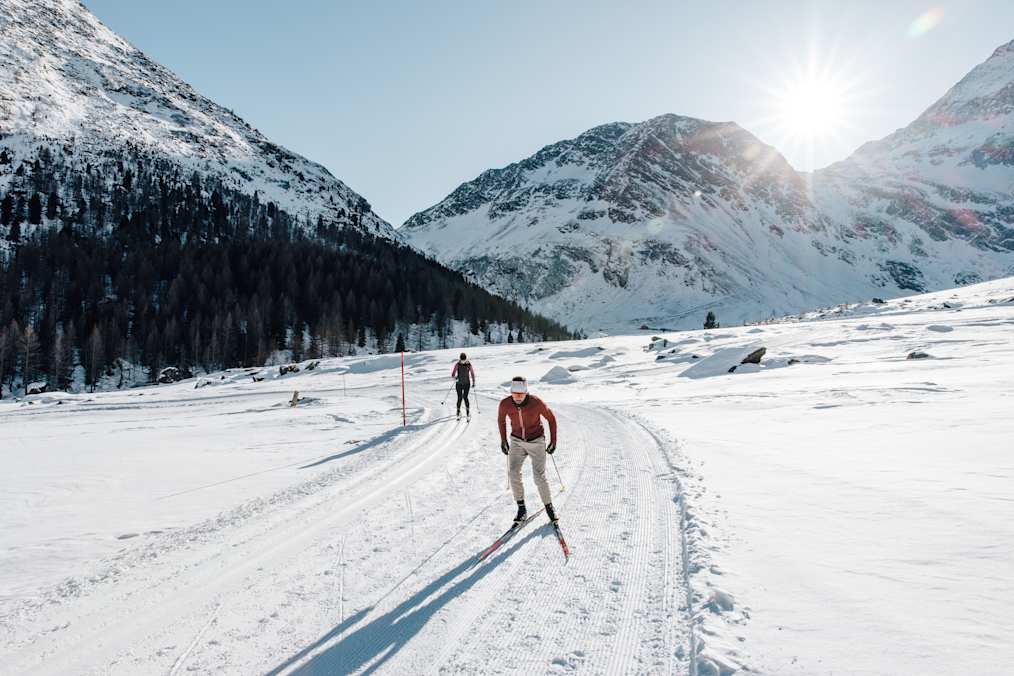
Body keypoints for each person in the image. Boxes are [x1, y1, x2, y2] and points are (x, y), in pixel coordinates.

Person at [497, 376, 559, 525]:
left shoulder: (536, 403)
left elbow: (551, 418)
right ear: (511, 392)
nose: (518, 397)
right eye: (515, 394)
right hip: (517, 441)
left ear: (526, 393)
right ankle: (521, 509)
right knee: (513, 473)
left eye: (521, 394)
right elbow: (501, 420)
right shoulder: (505, 404)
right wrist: (504, 440)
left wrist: (553, 441)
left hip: (536, 441)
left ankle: (549, 507)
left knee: (538, 476)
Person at [451, 353, 476, 421]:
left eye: (464, 360)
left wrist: (473, 382)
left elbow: (472, 373)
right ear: (460, 359)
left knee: (465, 397)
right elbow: (453, 374)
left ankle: (468, 413)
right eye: (462, 360)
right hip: (458, 384)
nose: (463, 361)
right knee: (459, 397)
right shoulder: (457, 364)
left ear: (465, 359)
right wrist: (455, 378)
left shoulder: (468, 364)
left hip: (466, 384)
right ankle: (458, 412)